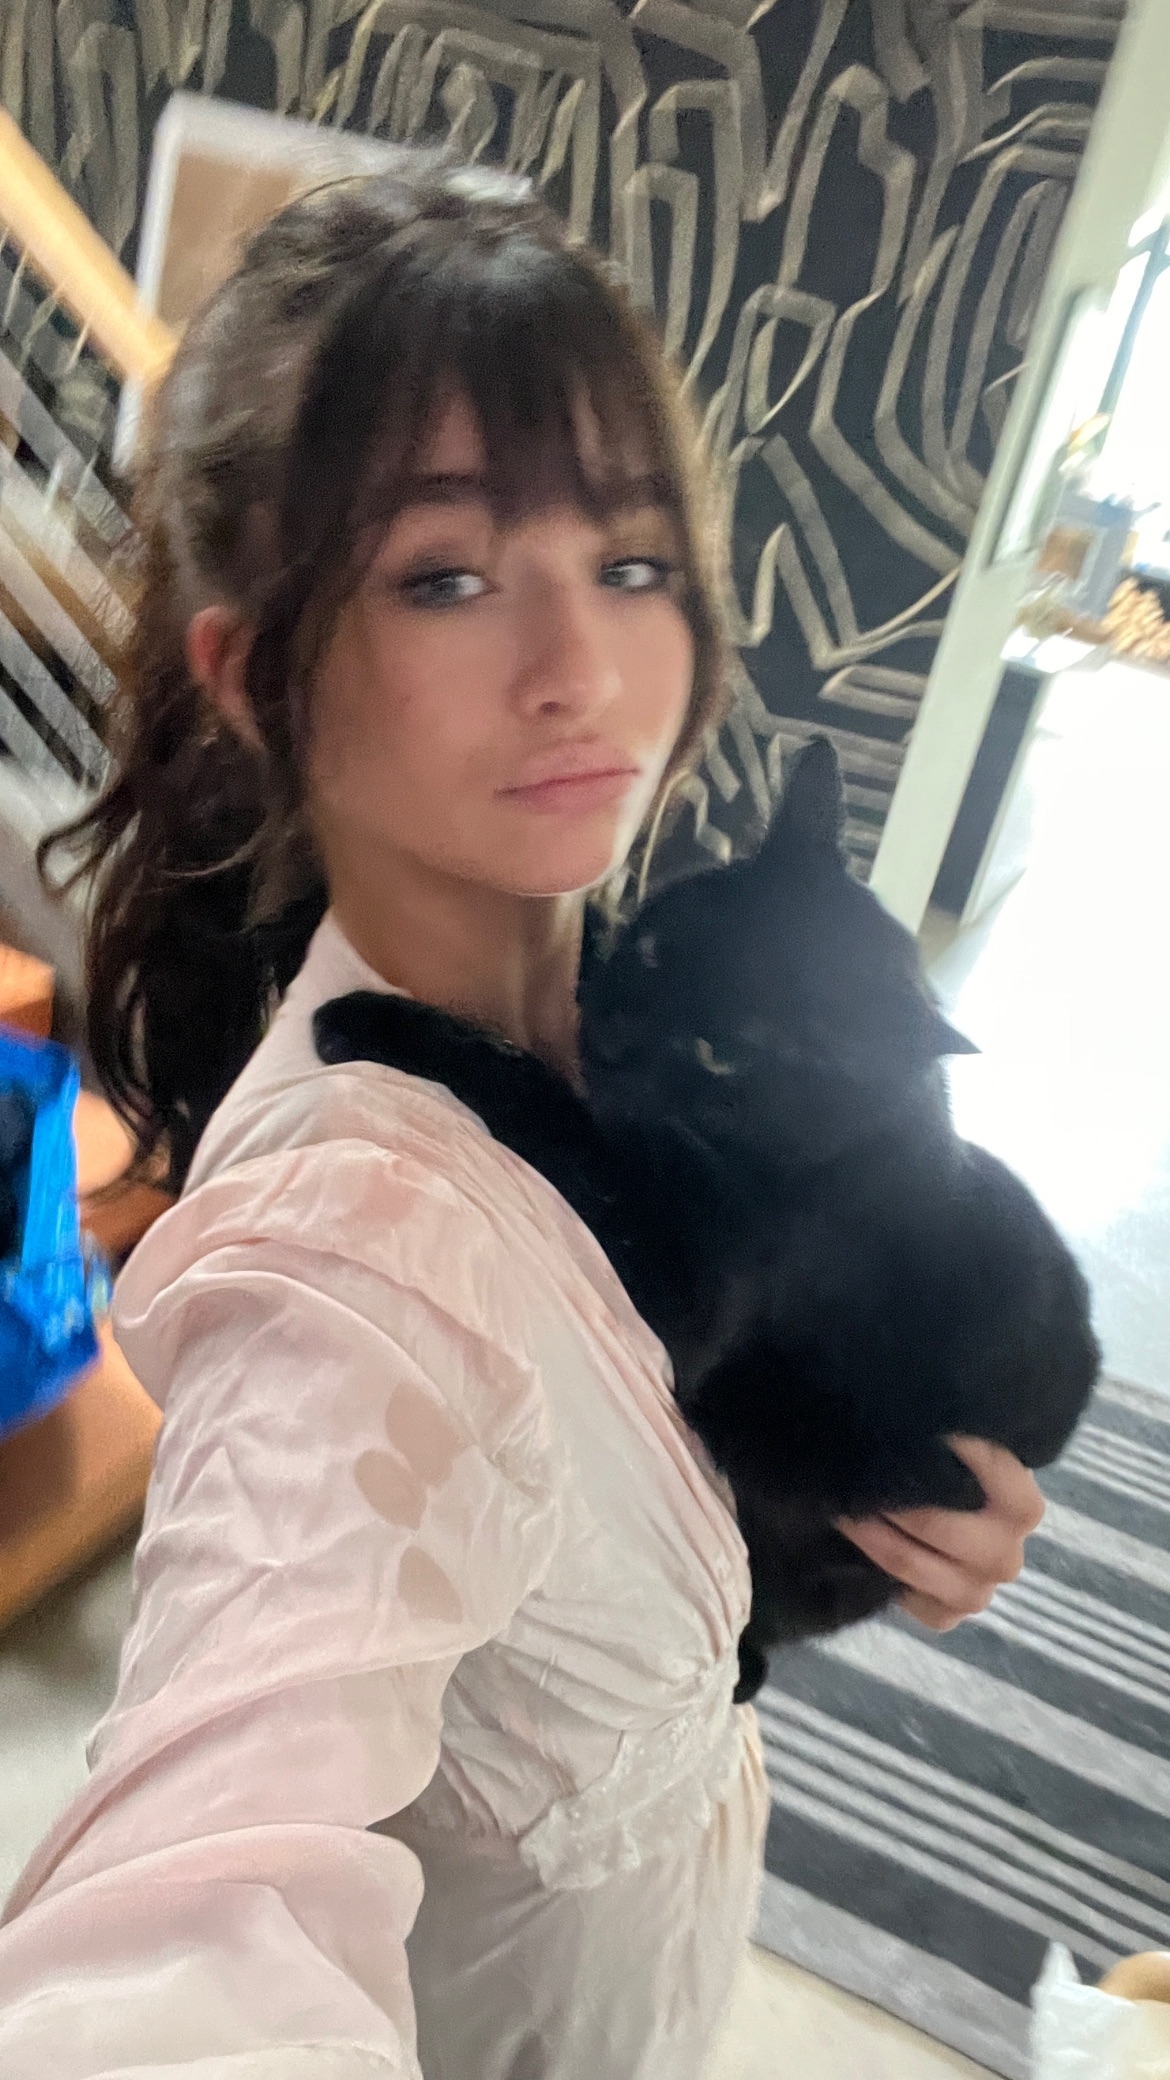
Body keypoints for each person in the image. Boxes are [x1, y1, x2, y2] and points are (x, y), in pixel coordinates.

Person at [0, 152, 1044, 2079]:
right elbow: (193, 1919)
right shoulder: (357, 1262)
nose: (583, 676)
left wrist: (841, 1514)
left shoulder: (632, 1002)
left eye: (629, 564)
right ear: (254, 674)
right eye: (448, 577)